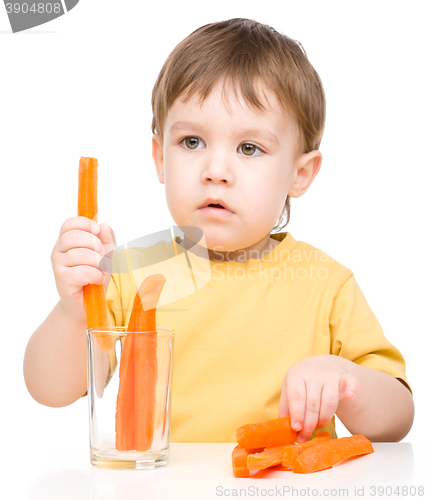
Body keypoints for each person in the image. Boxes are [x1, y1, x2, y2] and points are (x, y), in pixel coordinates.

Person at [24, 18, 414, 444]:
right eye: (192, 142)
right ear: (159, 157)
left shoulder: (325, 284)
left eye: (249, 148)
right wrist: (73, 309)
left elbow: (397, 418)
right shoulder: (130, 272)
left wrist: (344, 380)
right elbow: (50, 390)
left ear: (300, 174)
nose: (216, 171)